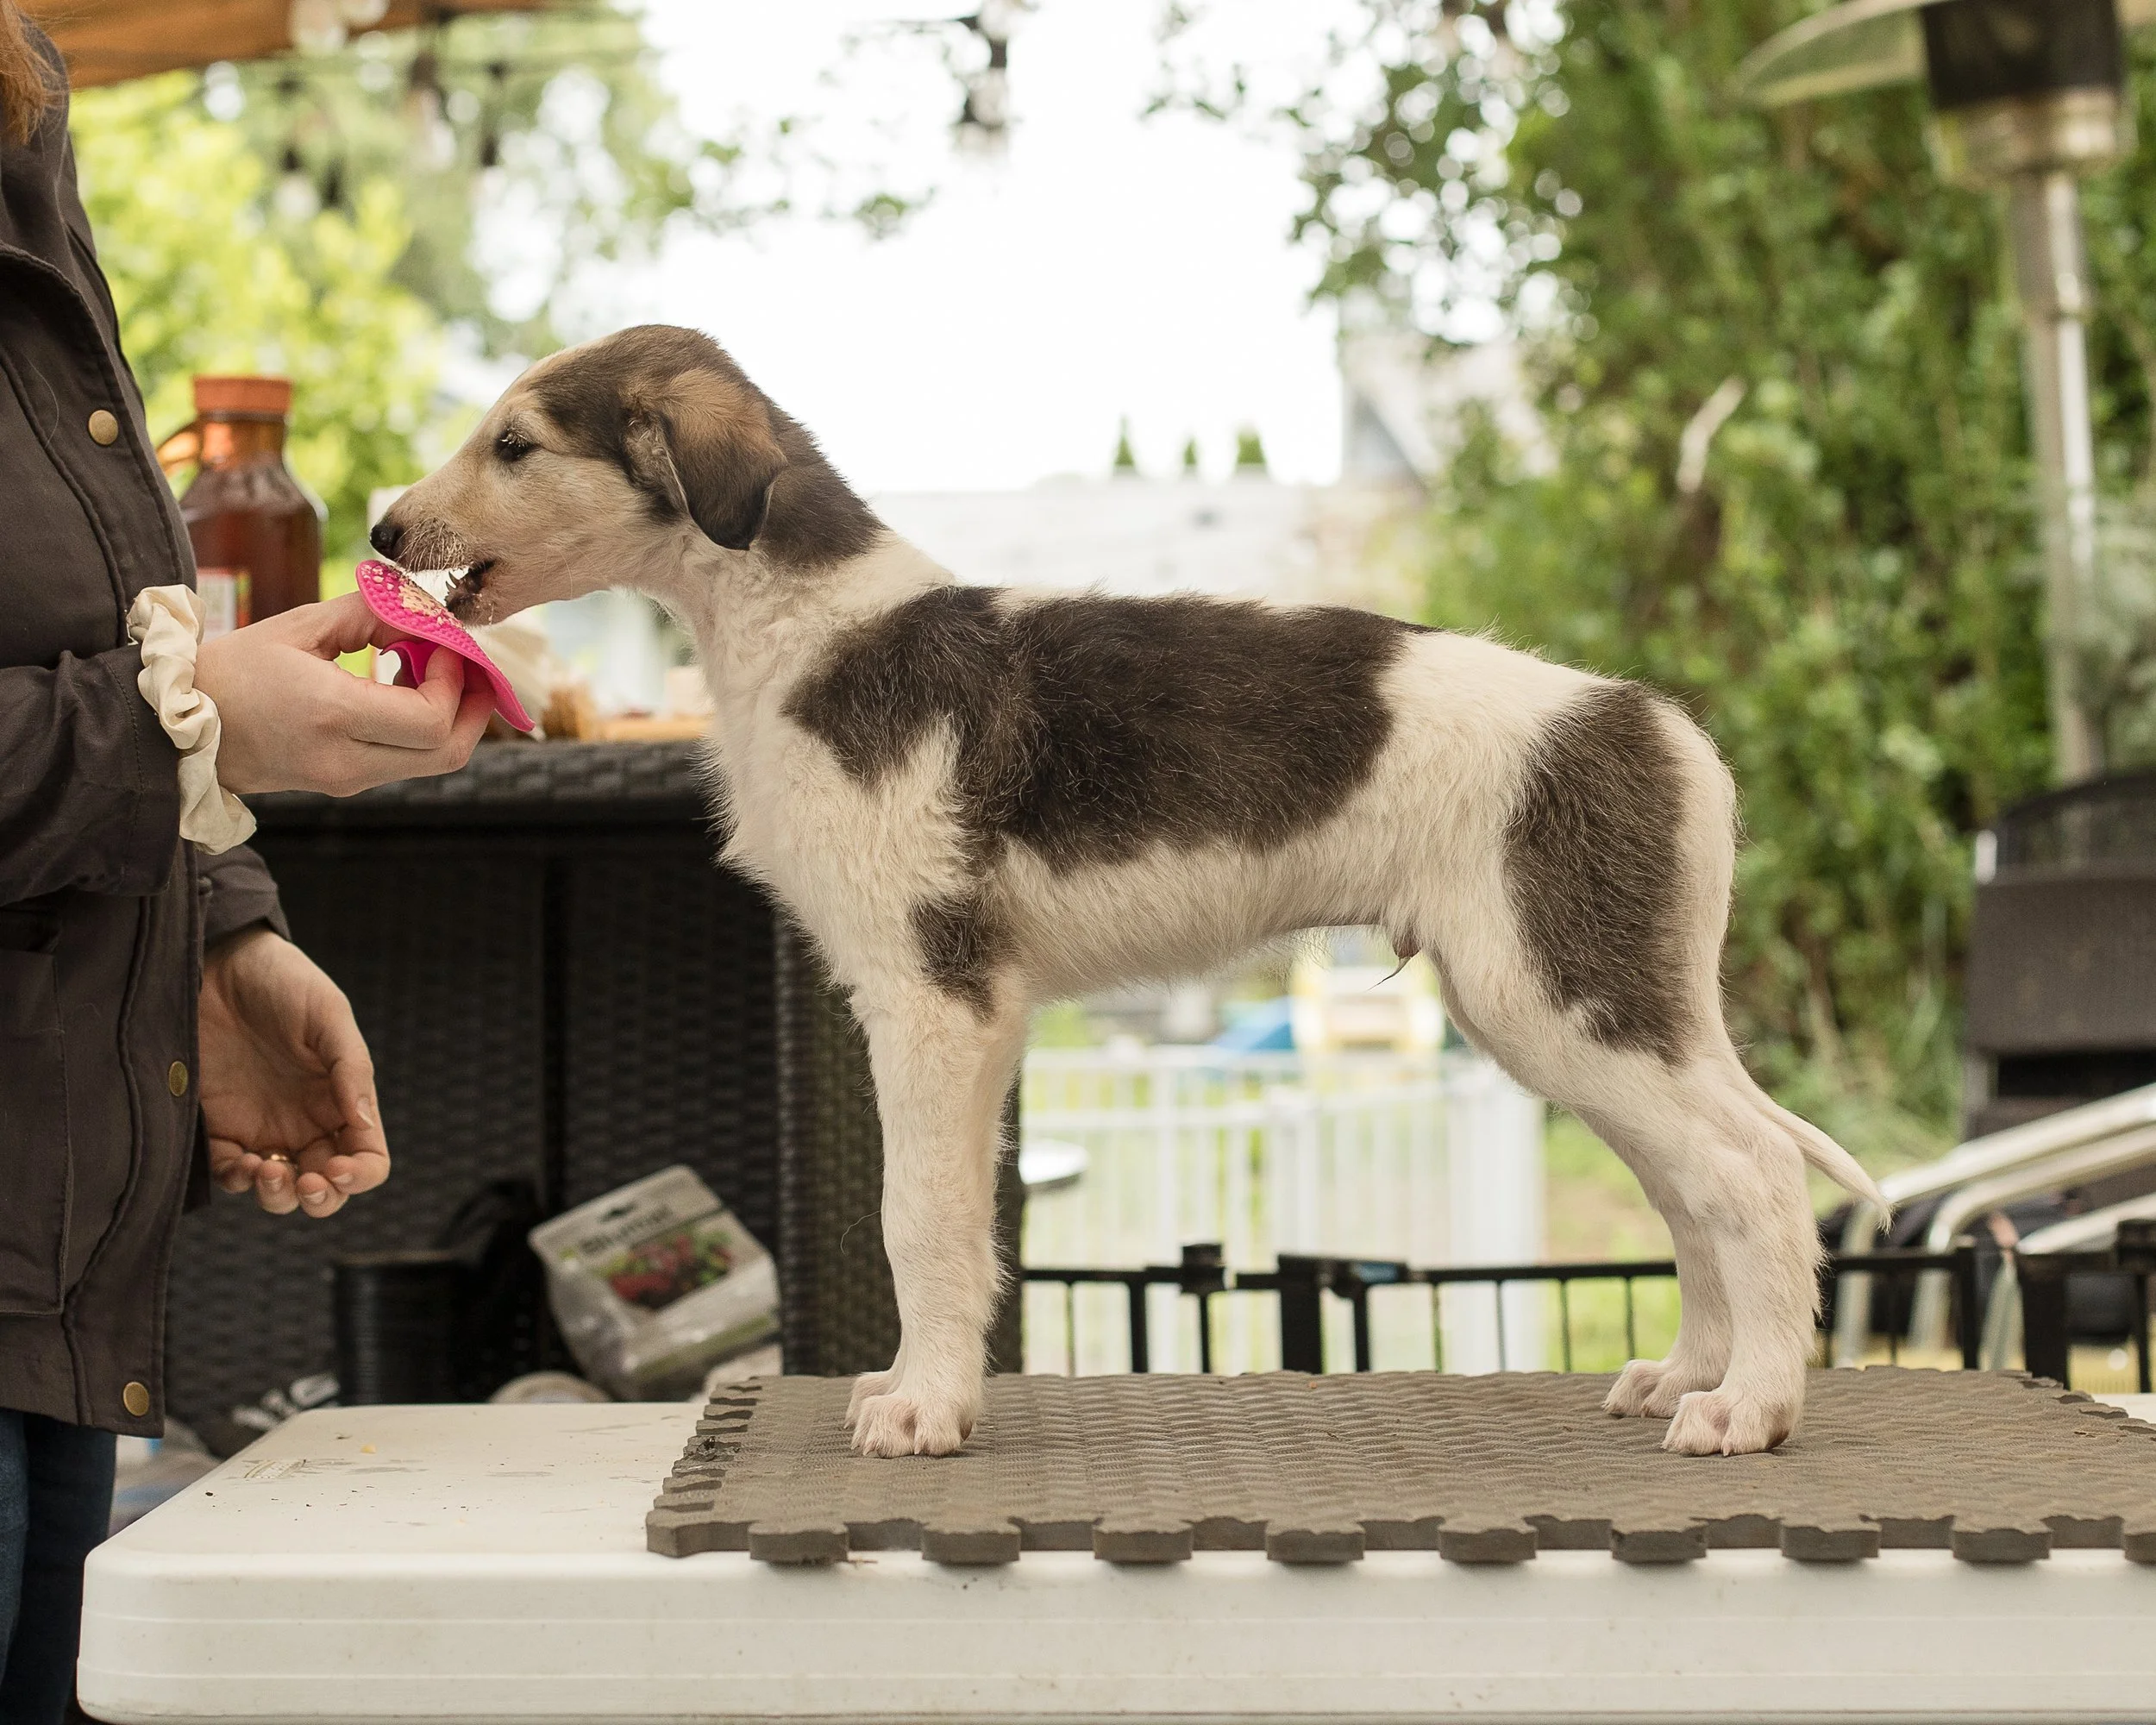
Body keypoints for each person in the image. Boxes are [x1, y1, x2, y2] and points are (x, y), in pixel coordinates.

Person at [0, 9, 493, 1718]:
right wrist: (188, 728)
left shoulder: (23, 111)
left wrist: (210, 923)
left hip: (49, 1267)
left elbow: (70, 633)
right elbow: (138, 688)